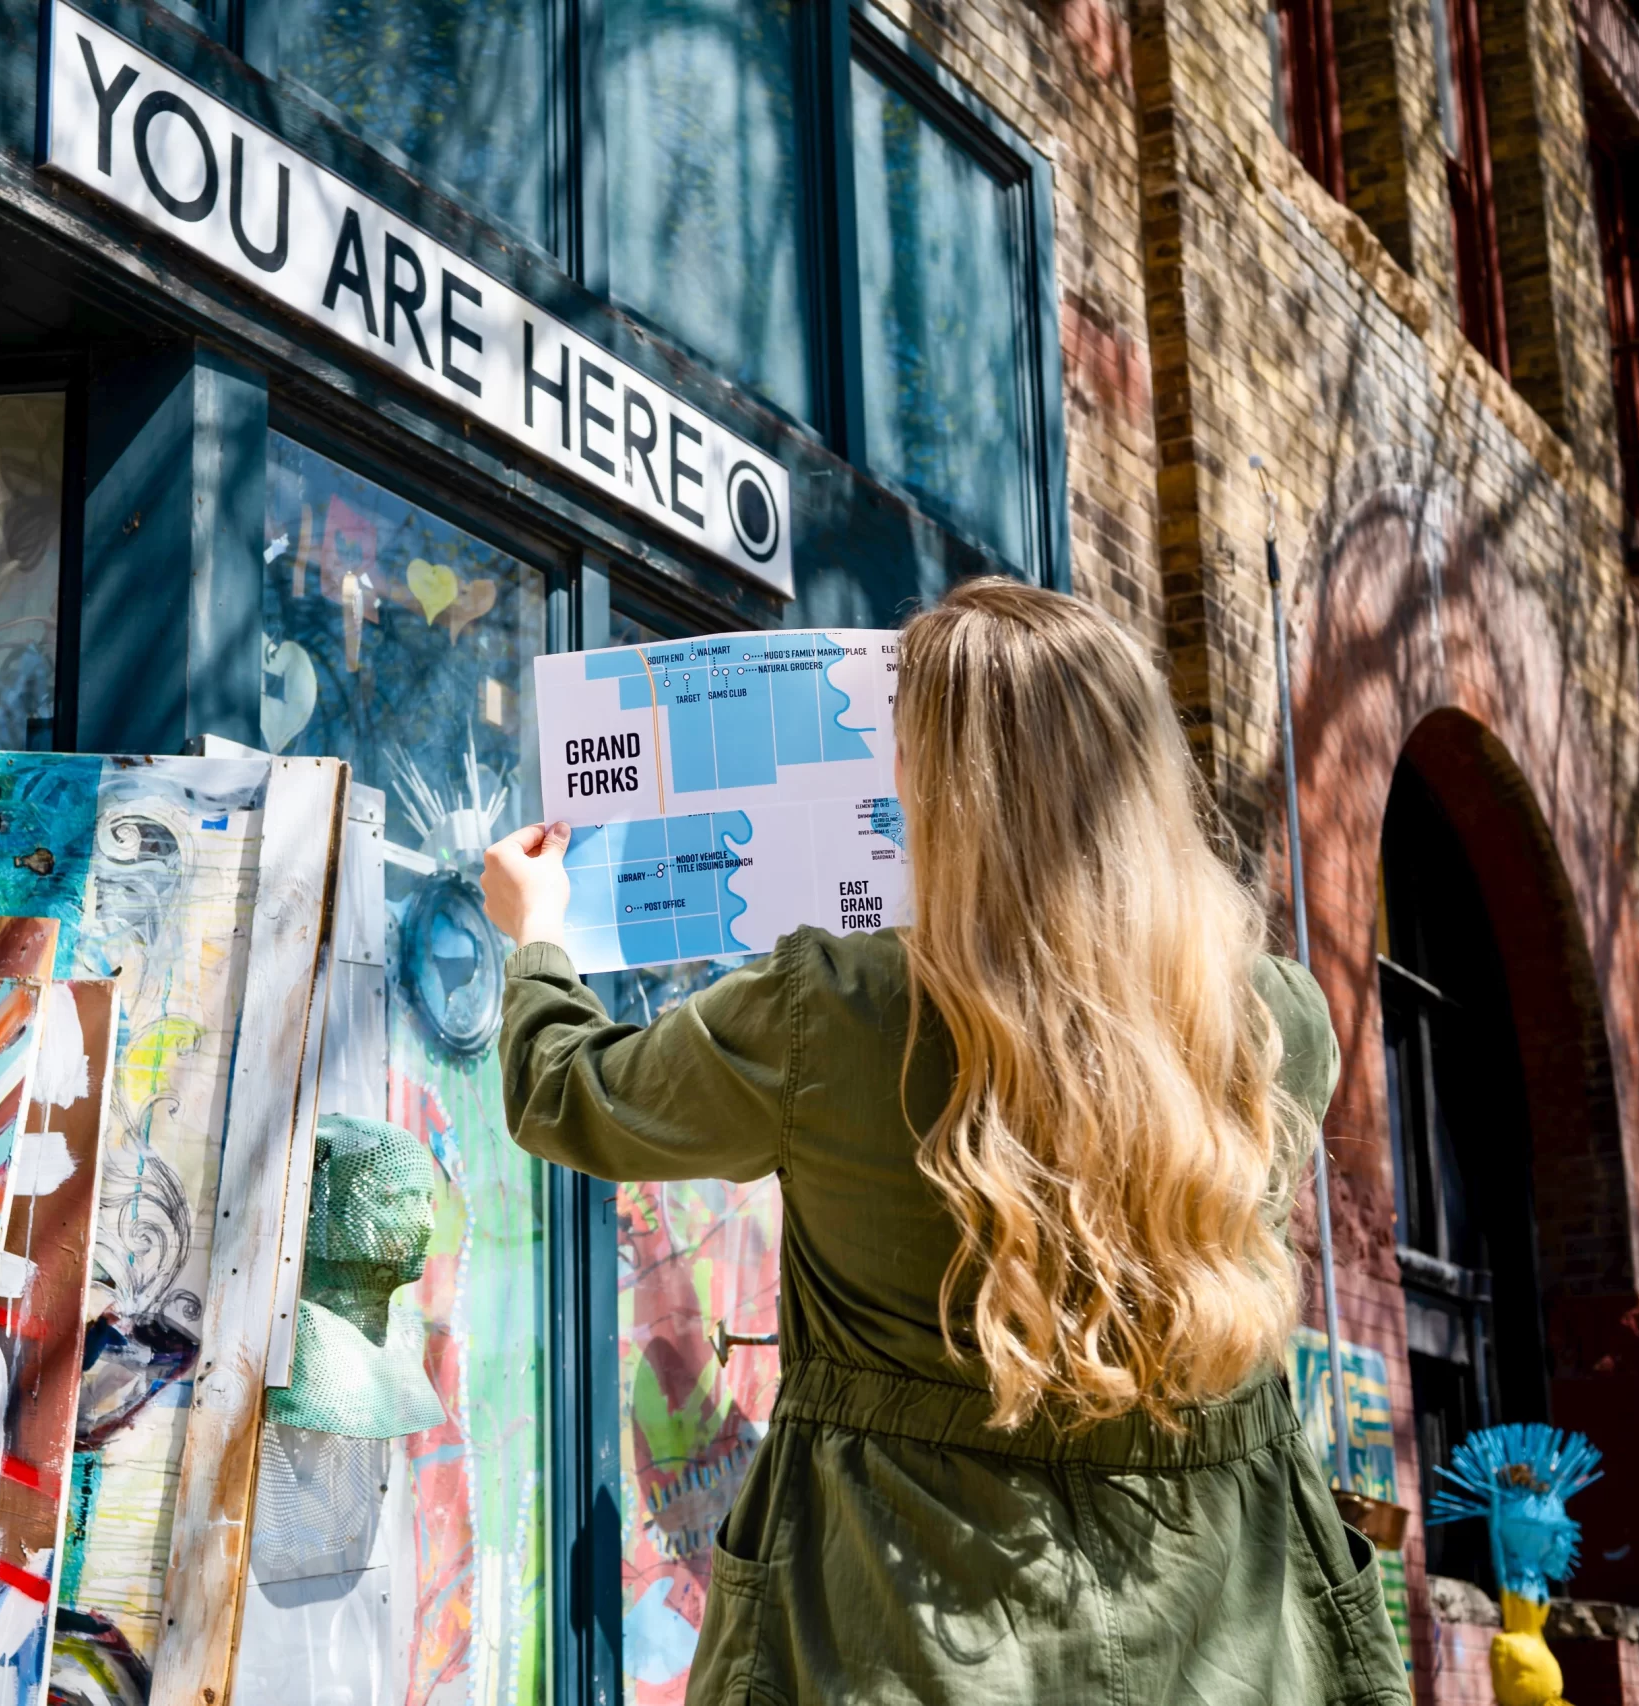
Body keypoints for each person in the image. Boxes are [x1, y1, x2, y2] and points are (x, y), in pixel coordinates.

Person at [483, 578, 1409, 1704]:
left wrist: (536, 932)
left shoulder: (828, 1011)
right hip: (1235, 1645)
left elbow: (566, 1092)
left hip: (898, 1633)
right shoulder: (1276, 1022)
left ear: (939, 784)